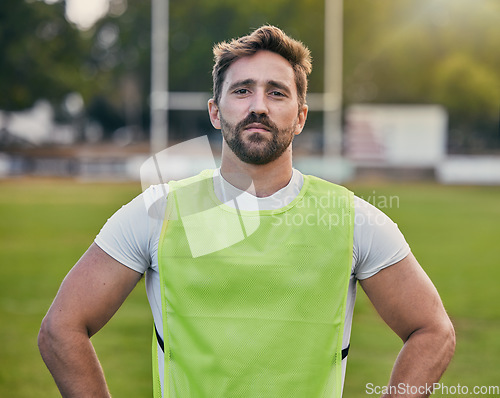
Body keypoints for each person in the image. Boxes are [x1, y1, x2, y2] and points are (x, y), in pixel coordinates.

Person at [38, 25, 455, 398]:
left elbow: (433, 331)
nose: (259, 106)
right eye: (242, 91)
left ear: (301, 116)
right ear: (216, 112)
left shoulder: (353, 219)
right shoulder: (157, 211)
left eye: (277, 92)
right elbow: (61, 329)